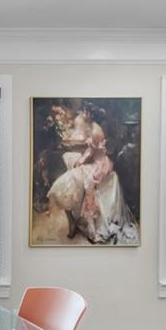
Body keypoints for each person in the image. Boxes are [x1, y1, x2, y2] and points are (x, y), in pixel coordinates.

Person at [46, 103, 138, 244]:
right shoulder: (93, 127)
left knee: (79, 178)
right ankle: (73, 219)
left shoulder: (95, 131)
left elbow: (92, 154)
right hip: (96, 160)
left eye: (84, 112)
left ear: (89, 114)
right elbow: (90, 151)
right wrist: (81, 159)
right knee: (71, 166)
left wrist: (81, 161)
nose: (82, 114)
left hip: (99, 165)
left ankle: (80, 221)